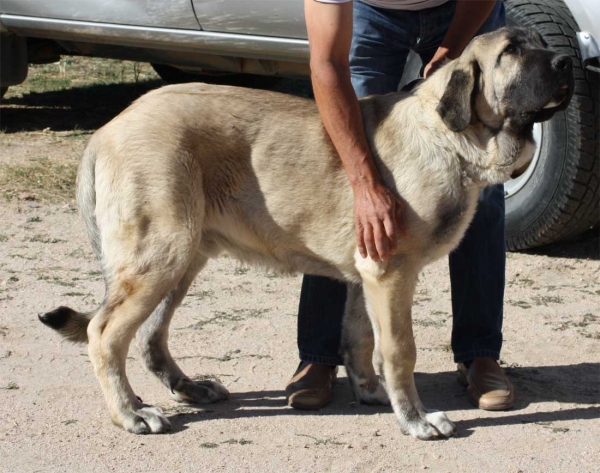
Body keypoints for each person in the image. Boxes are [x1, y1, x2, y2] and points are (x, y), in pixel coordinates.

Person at [285, 0, 515, 411]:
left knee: (485, 182)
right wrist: (364, 184)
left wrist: (452, 51)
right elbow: (327, 67)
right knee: (337, 172)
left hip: (459, 9)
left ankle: (479, 353)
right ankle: (320, 355)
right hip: (368, 14)